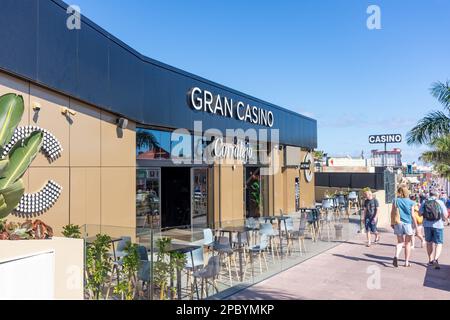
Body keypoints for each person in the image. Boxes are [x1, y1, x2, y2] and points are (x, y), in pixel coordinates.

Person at [419, 190, 448, 269]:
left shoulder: (425, 202)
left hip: (427, 225)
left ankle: (430, 260)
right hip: (438, 225)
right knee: (439, 243)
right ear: (437, 195)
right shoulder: (440, 202)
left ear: (430, 194)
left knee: (429, 242)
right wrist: (445, 220)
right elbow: (445, 215)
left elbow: (420, 213)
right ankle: (436, 259)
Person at [391, 186, 417, 267]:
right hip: (407, 224)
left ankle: (396, 256)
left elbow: (392, 212)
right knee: (407, 243)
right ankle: (406, 262)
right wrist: (416, 226)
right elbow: (413, 215)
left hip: (398, 223)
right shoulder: (411, 202)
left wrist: (392, 223)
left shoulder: (395, 201)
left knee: (400, 242)